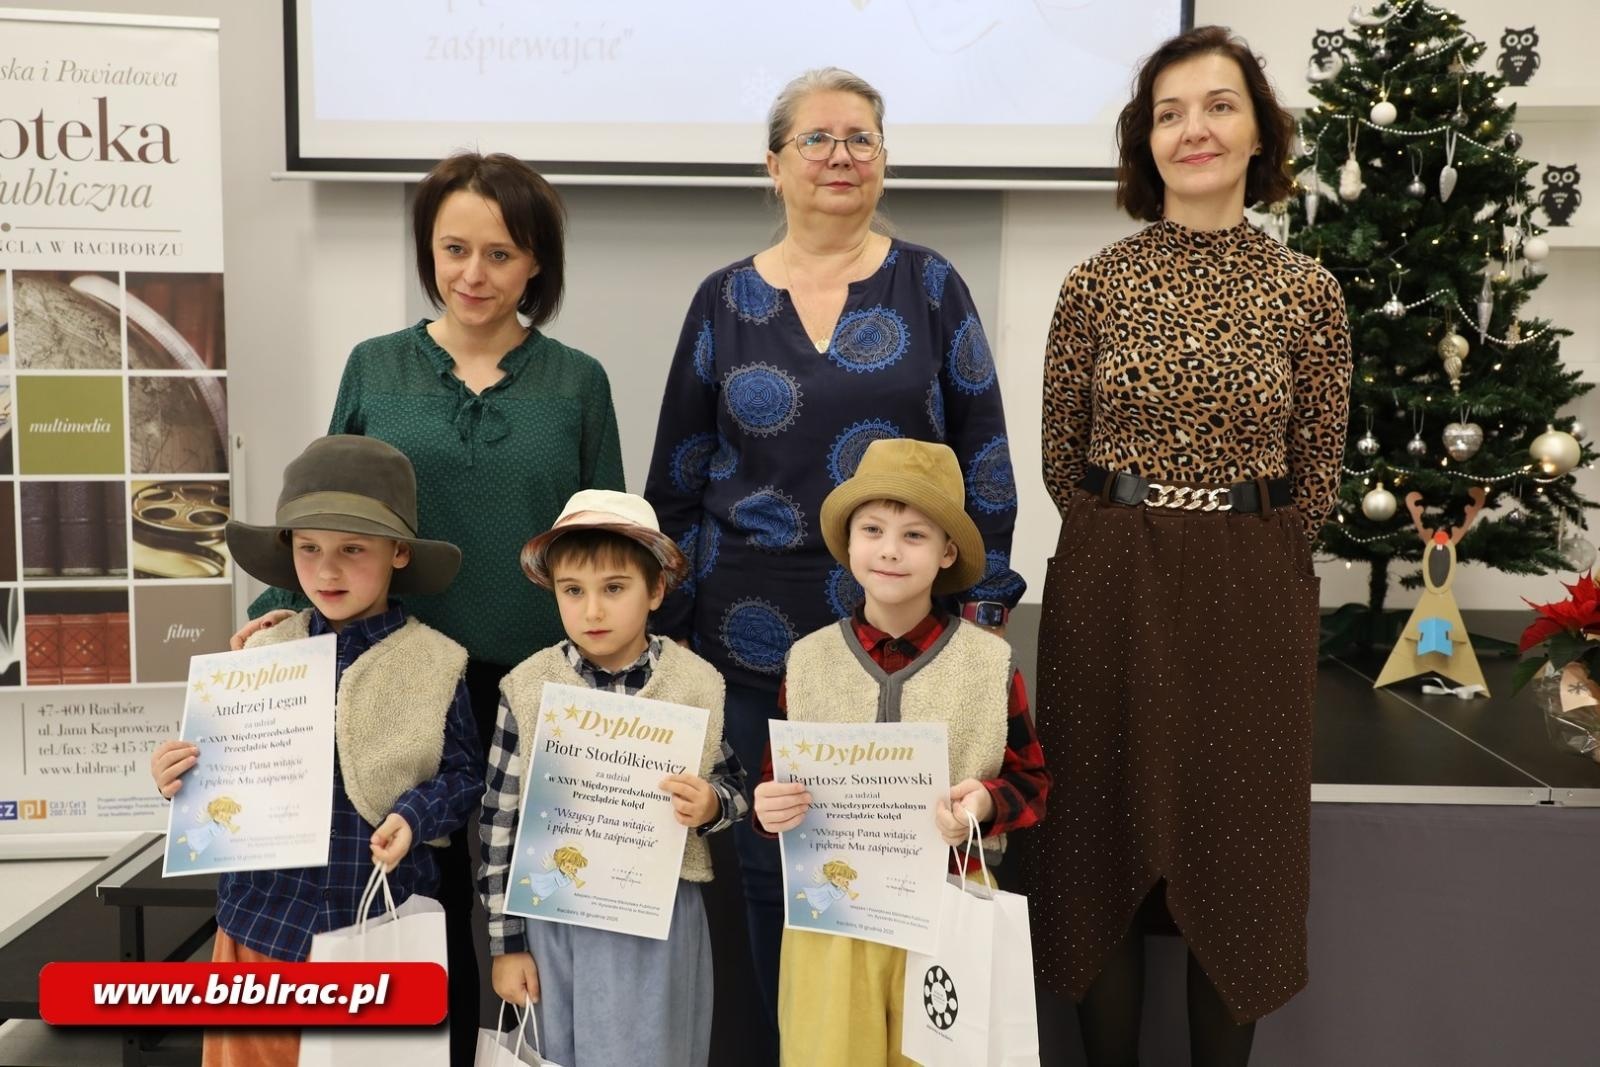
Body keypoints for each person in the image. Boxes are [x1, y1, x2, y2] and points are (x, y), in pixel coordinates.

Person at [644, 69, 1025, 1053]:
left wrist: (977, 616)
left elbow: (982, 455)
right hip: (746, 640)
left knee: (910, 887)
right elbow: (677, 478)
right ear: (773, 165)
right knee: (776, 883)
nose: (841, 157)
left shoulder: (932, 284)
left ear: (884, 159)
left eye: (861, 137)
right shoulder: (721, 298)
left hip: (909, 643)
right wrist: (669, 642)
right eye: (816, 140)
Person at [238, 152, 625, 1061]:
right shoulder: (376, 366)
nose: (473, 273)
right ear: (428, 251)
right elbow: (331, 509)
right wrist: (275, 610)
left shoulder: (579, 381)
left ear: (538, 263)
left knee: (529, 910)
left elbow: (603, 540)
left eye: (500, 252)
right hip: (395, 676)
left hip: (539, 689)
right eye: (454, 249)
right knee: (411, 898)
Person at [1016, 26, 1353, 1067]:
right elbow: (1060, 464)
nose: (1192, 128)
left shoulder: (1307, 291)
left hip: (1250, 582)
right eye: (1168, 112)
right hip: (1110, 575)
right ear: (1144, 141)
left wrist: (1238, 541)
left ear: (1258, 133)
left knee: (1237, 845)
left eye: (1216, 106)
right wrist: (1137, 526)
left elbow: (1319, 473)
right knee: (1097, 837)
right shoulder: (1094, 284)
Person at [150, 435, 484, 1067]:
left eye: (352, 549)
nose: (327, 571)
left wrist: (416, 816)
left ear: (399, 553)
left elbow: (467, 774)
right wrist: (175, 776)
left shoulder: (437, 663)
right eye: (309, 549)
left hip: (374, 931)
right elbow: (214, 769)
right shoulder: (259, 652)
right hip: (258, 931)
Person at [752, 439, 1049, 1067]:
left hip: (948, 906)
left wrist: (986, 803)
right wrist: (768, 807)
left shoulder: (988, 664)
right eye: (873, 529)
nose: (889, 549)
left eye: (915, 535)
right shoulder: (807, 662)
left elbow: (1032, 781)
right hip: (832, 914)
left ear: (947, 553)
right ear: (849, 543)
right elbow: (775, 780)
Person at [477, 489, 748, 1067]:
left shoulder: (697, 684)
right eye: (573, 591)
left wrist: (711, 805)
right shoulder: (526, 687)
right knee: (557, 1052)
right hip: (554, 918)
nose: (592, 611)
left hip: (659, 921)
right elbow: (501, 819)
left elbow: (735, 791)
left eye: (614, 589)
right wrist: (506, 945)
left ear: (655, 591)